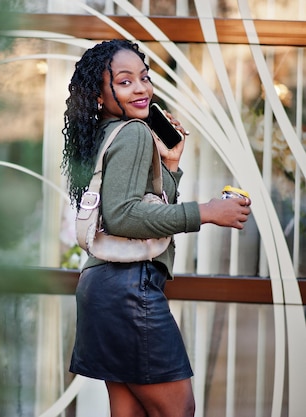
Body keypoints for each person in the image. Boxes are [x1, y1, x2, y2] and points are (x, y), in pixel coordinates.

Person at [61, 39, 252, 417]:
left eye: (144, 78)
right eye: (125, 81)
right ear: (100, 93)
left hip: (103, 290)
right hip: (129, 290)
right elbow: (123, 217)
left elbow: (138, 207)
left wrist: (170, 168)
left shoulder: (106, 131)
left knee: (128, 411)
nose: (141, 88)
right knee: (177, 409)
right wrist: (206, 211)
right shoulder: (131, 132)